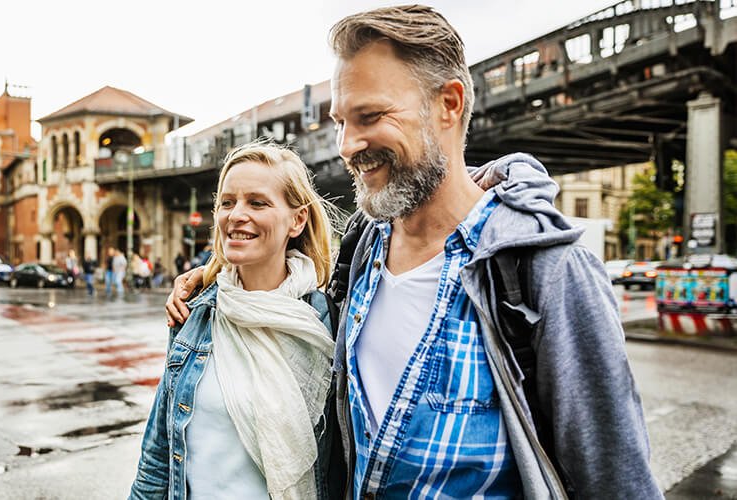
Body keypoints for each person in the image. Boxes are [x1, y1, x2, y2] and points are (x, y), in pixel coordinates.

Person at [166, 5, 662, 499]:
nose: (346, 144)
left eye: (371, 116)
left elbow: (619, 483)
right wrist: (213, 281)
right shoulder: (361, 251)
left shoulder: (548, 272)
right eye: (341, 121)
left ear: (448, 103)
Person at [130, 142, 342, 499]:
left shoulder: (327, 322)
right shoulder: (194, 312)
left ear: (297, 220)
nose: (236, 214)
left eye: (257, 202)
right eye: (228, 202)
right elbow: (157, 458)